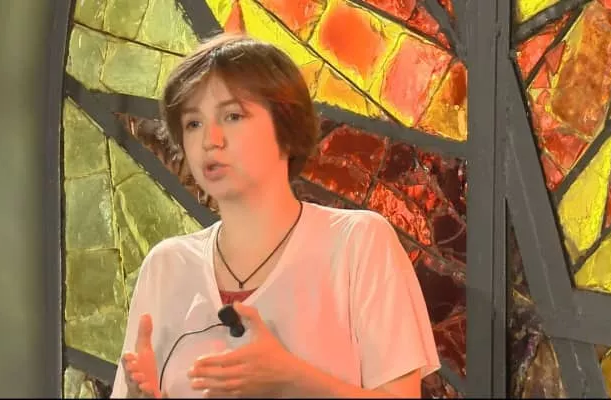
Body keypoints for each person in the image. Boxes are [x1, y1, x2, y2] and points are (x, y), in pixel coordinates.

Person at [111, 33, 440, 398]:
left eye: (233, 116)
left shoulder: (357, 242)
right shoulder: (166, 266)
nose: (210, 140)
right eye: (193, 123)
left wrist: (291, 378)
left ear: (286, 129)